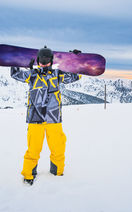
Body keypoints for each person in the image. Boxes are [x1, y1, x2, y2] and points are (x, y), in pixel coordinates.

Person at [10, 46, 81, 185]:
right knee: (33, 150)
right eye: (42, 60)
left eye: (47, 60)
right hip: (35, 119)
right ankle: (29, 175)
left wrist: (75, 60)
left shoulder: (57, 74)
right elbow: (15, 74)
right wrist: (15, 61)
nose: (44, 63)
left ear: (51, 61)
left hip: (53, 119)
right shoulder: (31, 75)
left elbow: (76, 75)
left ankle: (57, 173)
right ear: (37, 60)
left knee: (58, 148)